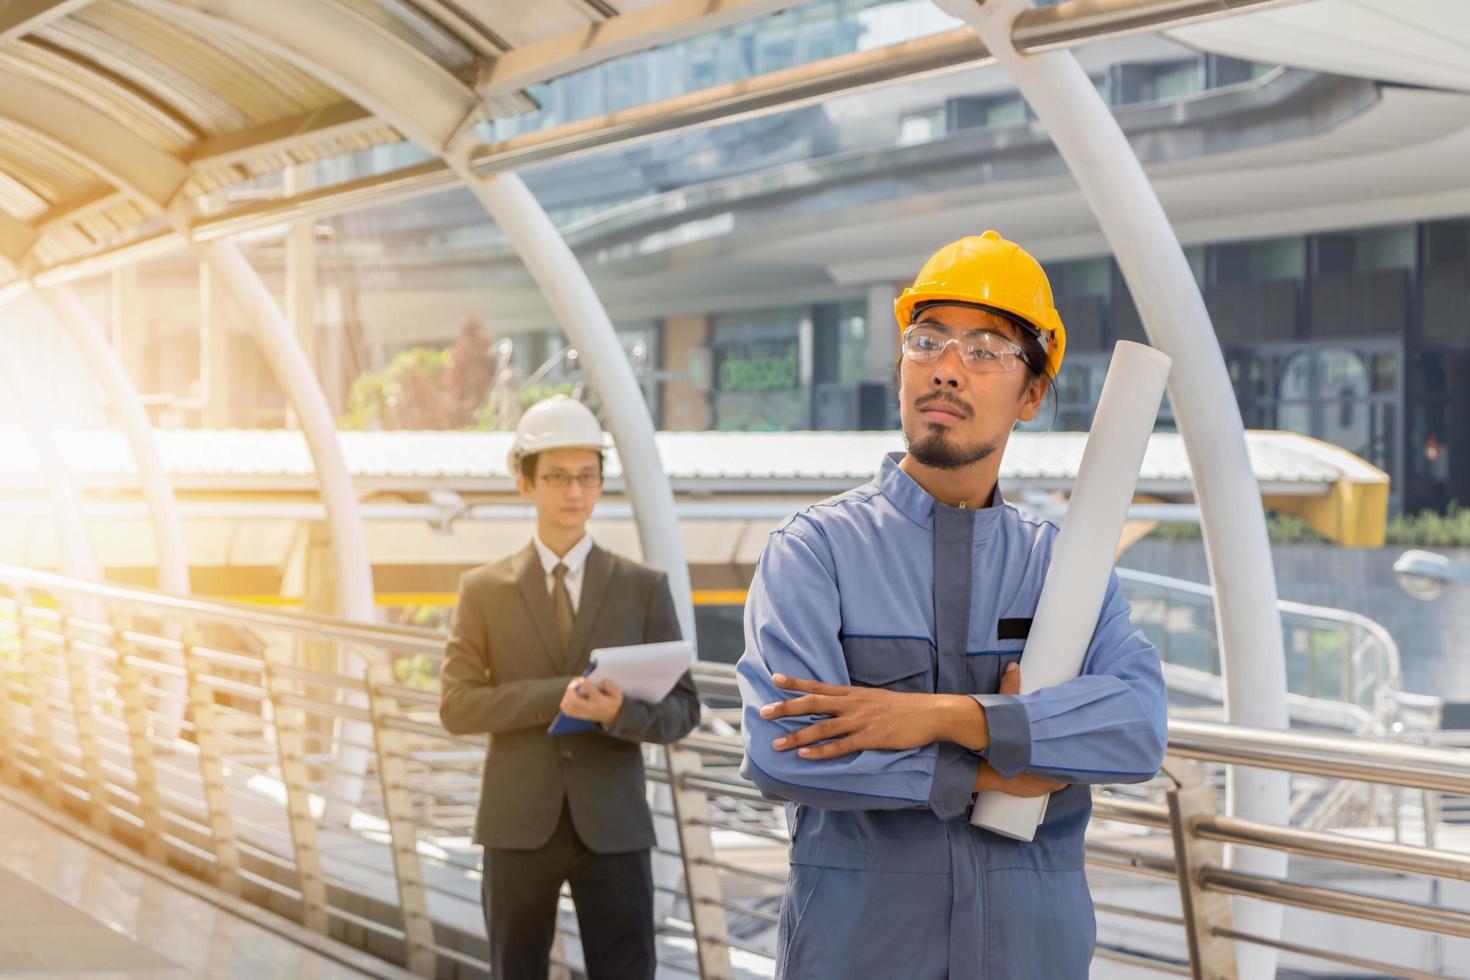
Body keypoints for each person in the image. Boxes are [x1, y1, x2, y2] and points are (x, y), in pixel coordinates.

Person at [737, 230, 1168, 979]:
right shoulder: (815, 553)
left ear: (1032, 392)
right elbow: (784, 751)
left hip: (1031, 954)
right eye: (926, 340)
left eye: (984, 350)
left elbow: (1136, 729)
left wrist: (949, 718)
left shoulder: (1063, 566)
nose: (946, 369)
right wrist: (993, 768)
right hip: (860, 955)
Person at [439, 394, 700, 980]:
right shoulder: (483, 590)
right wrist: (555, 695)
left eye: (587, 476)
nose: (574, 492)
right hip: (516, 823)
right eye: (557, 477)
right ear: (525, 484)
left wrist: (618, 713)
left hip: (613, 823)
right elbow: (456, 706)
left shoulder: (642, 588)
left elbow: (684, 709)